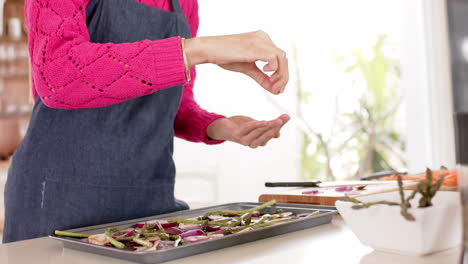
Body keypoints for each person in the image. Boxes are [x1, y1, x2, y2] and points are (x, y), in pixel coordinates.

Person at [2, 0, 290, 243]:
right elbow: (58, 75)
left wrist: (218, 126)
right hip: (60, 198)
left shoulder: (184, 3)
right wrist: (198, 50)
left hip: (149, 199)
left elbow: (174, 102)